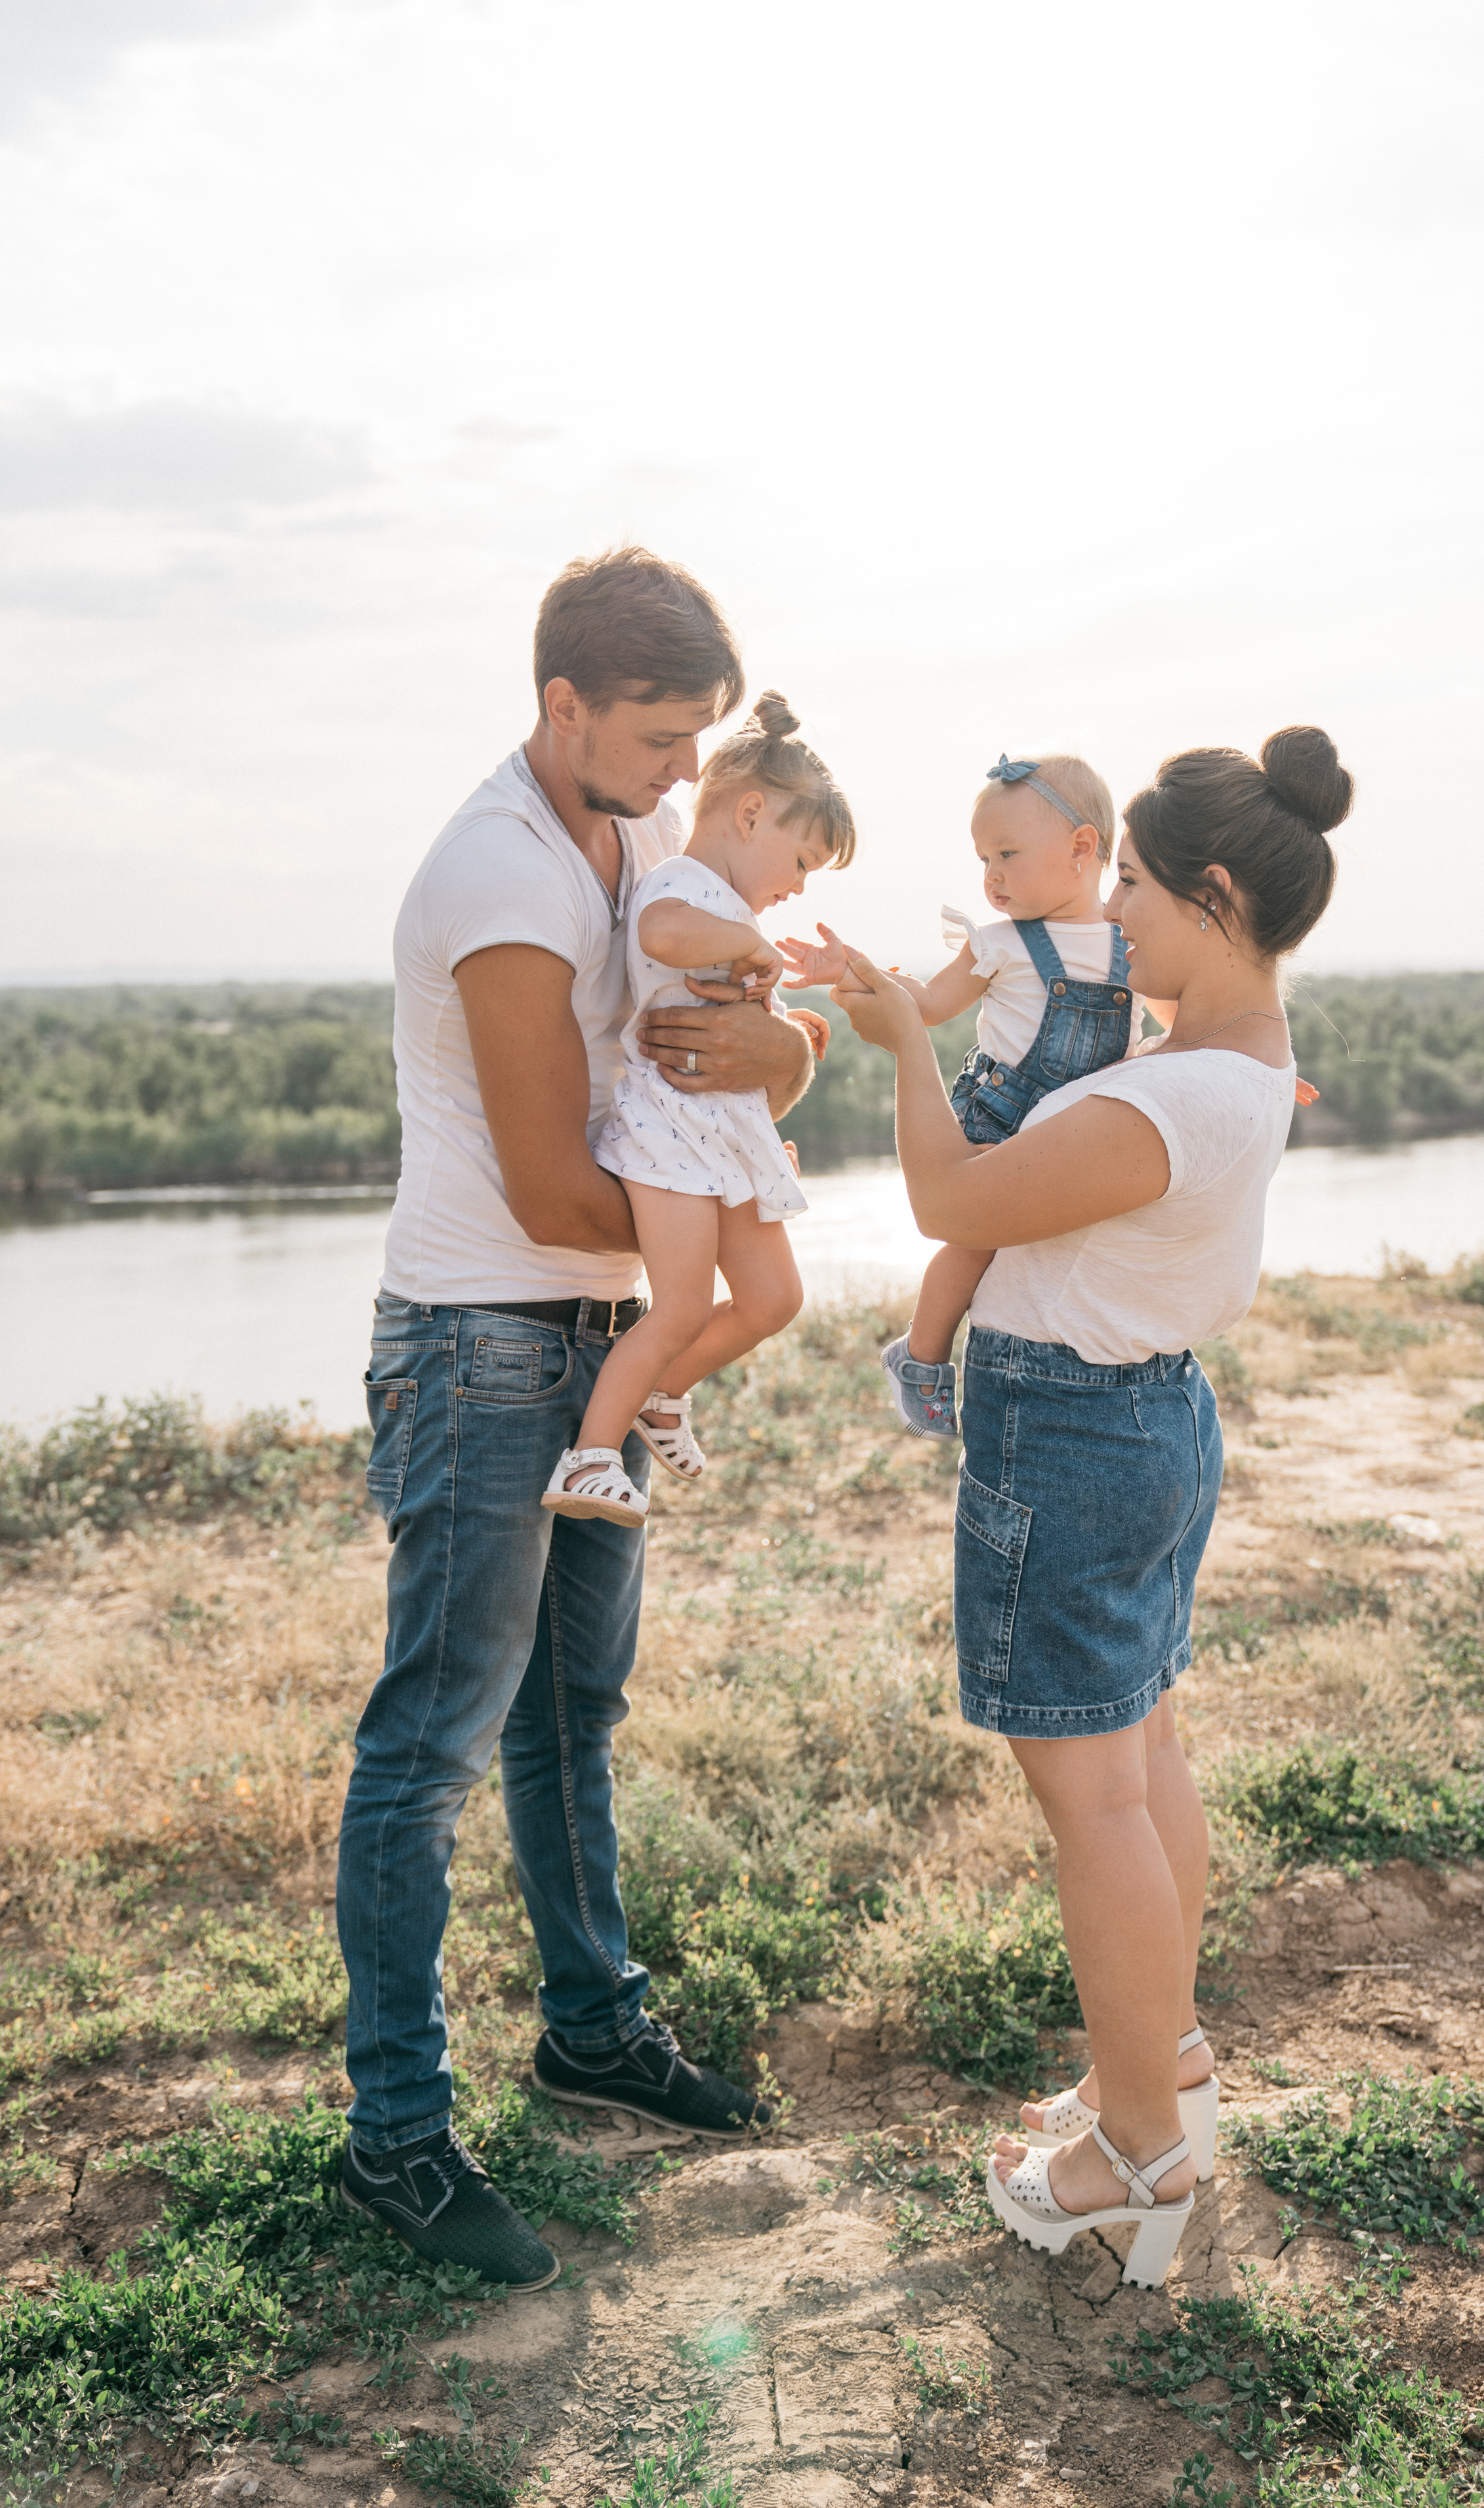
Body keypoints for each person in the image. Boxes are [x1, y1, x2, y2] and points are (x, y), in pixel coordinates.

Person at [337, 549, 822, 2290]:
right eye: (663, 735)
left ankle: (593, 2030)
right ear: (565, 707)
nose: (692, 766)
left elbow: (716, 1048)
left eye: (703, 737)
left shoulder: (623, 838)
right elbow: (555, 1179)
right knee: (435, 1743)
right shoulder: (502, 873)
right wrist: (740, 1218)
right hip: (483, 1343)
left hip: (593, 1331)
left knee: (569, 1720)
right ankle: (395, 2136)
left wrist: (783, 1073)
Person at [829, 726, 1354, 2285]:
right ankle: (1163, 2070)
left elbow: (947, 1205)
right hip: (1147, 1421)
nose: (1110, 909)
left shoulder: (1164, 1101)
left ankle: (1132, 2158)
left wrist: (902, 1046)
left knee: (1094, 1803)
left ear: (1207, 893)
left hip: (1072, 1435)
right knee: (1141, 1759)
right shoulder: (1230, 1062)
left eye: (1128, 880)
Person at [548, 693, 857, 1523]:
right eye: (802, 862)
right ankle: (589, 1457)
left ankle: (664, 1393)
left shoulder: (732, 908)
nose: (797, 887)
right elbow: (665, 938)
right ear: (750, 814)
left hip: (722, 1135)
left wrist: (785, 1020)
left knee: (773, 1300)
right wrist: (751, 948)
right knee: (680, 1303)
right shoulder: (681, 885)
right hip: (670, 1135)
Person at [780, 751, 1130, 1442]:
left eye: (1006, 854)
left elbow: (1186, 1029)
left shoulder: (1132, 945)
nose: (990, 876)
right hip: (999, 1120)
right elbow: (931, 1003)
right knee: (975, 1246)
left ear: (1081, 849)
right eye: (982, 859)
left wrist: (1241, 1053)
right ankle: (922, 1356)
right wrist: (851, 970)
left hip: (1079, 1133)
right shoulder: (1000, 944)